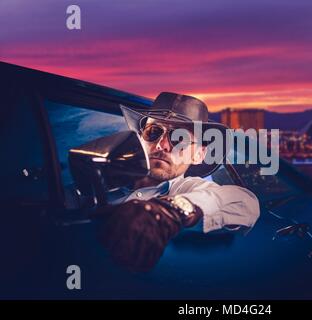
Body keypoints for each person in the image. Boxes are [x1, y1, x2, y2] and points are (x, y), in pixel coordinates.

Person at [92, 92, 260, 272]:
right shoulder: (97, 182)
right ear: (140, 138)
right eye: (153, 132)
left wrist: (172, 211)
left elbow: (244, 202)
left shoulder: (189, 189)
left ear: (198, 155)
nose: (161, 145)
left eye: (180, 138)